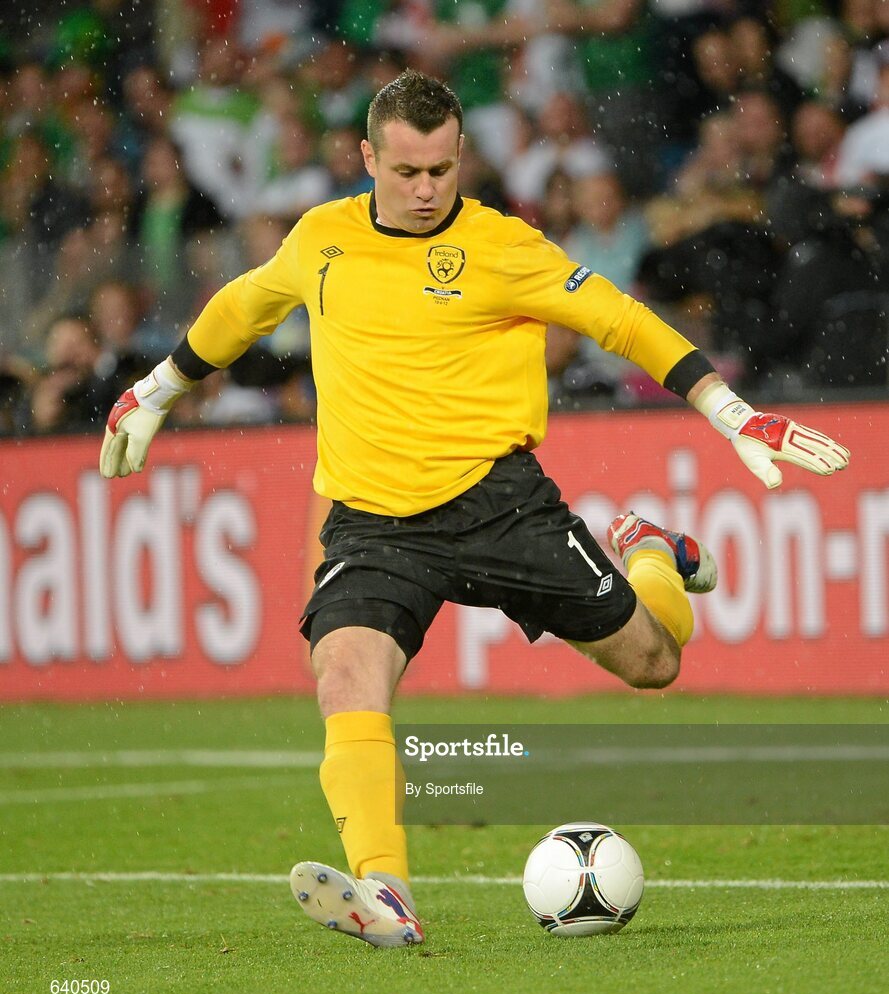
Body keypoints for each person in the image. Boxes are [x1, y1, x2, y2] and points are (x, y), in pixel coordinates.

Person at [98, 70, 850, 948]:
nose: (423, 191)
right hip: (372, 520)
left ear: (461, 160)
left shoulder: (503, 247)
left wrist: (727, 410)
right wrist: (157, 386)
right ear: (368, 156)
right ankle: (387, 892)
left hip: (499, 507)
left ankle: (646, 548)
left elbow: (622, 321)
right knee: (343, 675)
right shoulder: (322, 240)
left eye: (440, 172)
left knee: (653, 663)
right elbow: (244, 305)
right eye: (405, 171)